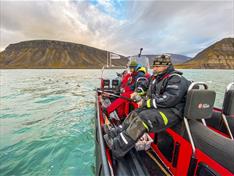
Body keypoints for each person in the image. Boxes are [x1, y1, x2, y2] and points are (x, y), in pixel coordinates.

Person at [103, 54, 191, 158]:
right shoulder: (157, 77)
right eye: (154, 66)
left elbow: (169, 100)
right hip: (161, 108)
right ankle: (116, 132)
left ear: (166, 66)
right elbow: (144, 85)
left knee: (144, 117)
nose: (154, 68)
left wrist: (145, 103)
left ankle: (117, 148)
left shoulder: (176, 79)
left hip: (173, 112)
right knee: (136, 112)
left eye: (157, 66)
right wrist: (137, 92)